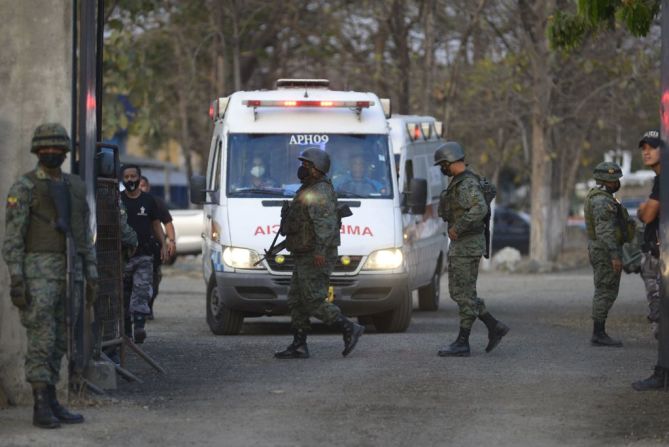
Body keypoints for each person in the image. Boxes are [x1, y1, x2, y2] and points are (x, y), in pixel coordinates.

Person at [2, 123, 97, 428]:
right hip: (38, 276)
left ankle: (53, 398)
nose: (52, 153)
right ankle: (40, 404)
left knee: (60, 340)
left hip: (71, 273)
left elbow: (83, 236)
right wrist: (17, 279)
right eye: (46, 149)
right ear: (37, 151)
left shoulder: (75, 187)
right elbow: (13, 240)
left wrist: (91, 274)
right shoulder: (24, 188)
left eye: (57, 148)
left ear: (66, 152)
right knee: (41, 339)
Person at [275, 147, 364, 358]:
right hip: (304, 252)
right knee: (296, 299)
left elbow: (325, 225)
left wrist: (320, 252)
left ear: (317, 169)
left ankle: (349, 328)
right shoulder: (308, 188)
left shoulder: (319, 192)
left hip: (315, 253)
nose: (302, 168)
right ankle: (299, 343)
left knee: (313, 299)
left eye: (306, 165)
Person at [433, 141, 509, 357]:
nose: (442, 168)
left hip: (467, 245)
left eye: (443, 164)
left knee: (462, 294)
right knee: (463, 293)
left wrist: (459, 227)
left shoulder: (466, 184)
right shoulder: (462, 181)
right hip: (465, 245)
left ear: (450, 162)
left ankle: (464, 341)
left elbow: (479, 208)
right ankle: (493, 327)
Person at [584, 161, 634, 347]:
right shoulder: (601, 201)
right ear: (607, 181)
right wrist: (614, 255)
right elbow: (605, 230)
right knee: (605, 290)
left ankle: (599, 331)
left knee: (605, 289)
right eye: (615, 180)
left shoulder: (602, 197)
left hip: (601, 249)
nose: (617, 183)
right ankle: (598, 333)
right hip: (605, 251)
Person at [633, 129, 666, 391]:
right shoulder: (659, 179)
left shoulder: (664, 178)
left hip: (660, 260)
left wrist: (644, 208)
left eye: (652, 147)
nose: (646, 151)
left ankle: (661, 374)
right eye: (643, 147)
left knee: (660, 318)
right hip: (658, 256)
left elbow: (647, 213)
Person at [120, 165, 166, 343]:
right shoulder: (118, 200)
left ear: (139, 178)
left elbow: (156, 225)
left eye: (133, 176)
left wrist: (163, 244)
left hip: (144, 255)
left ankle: (139, 327)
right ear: (122, 179)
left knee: (141, 290)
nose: (130, 180)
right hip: (122, 257)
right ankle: (126, 332)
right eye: (127, 177)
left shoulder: (148, 201)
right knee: (123, 295)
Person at [139, 175, 176, 319]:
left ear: (148, 187)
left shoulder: (156, 203)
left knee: (154, 280)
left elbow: (167, 223)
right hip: (134, 249)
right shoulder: (125, 201)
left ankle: (148, 306)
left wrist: (170, 241)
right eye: (139, 185)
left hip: (153, 249)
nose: (141, 188)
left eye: (144, 186)